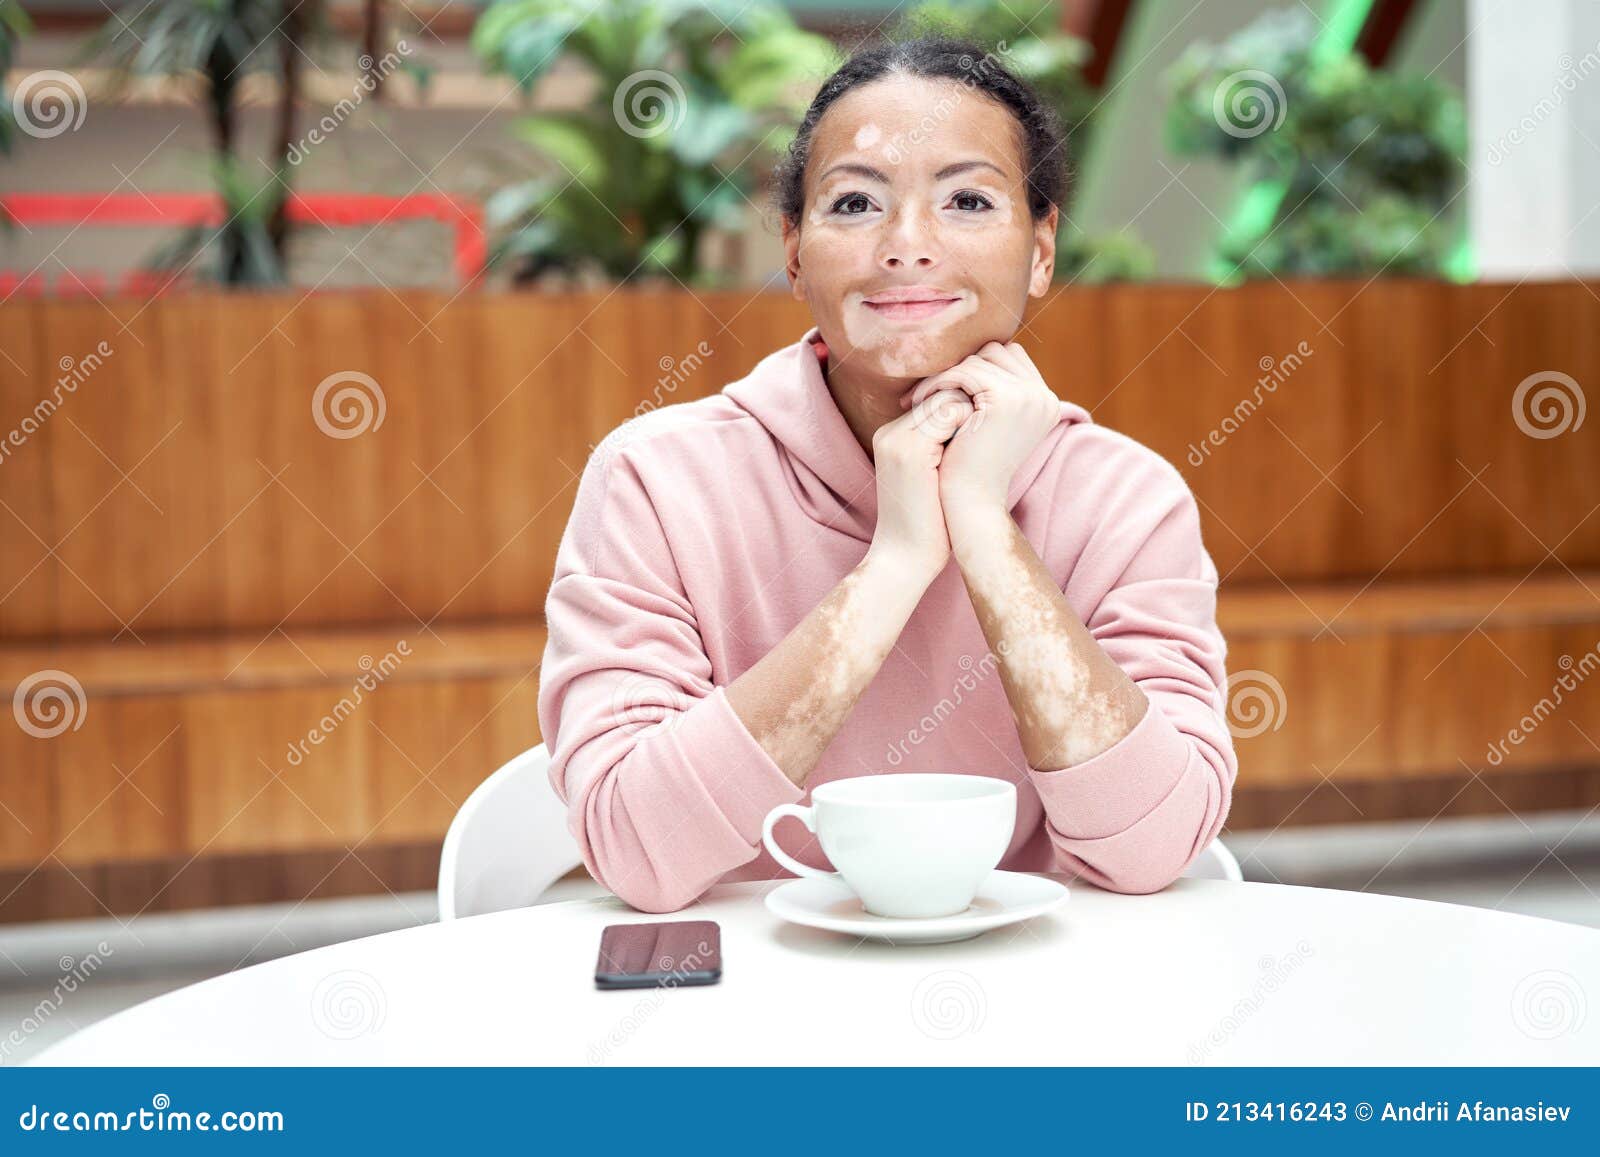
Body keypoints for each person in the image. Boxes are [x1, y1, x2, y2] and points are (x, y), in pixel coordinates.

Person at [536, 36, 1237, 914]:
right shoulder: (656, 480)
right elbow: (636, 848)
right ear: (793, 250)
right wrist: (897, 561)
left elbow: (1154, 847)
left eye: (969, 200)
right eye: (858, 202)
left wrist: (981, 522)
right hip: (746, 1011)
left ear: (1042, 247)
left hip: (1039, 1008)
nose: (907, 246)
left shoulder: (1126, 499)